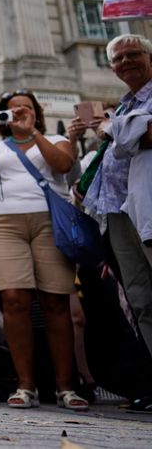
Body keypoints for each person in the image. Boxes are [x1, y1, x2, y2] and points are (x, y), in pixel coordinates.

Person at [0, 89, 88, 411]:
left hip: (49, 221)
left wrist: (33, 133)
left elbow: (63, 164)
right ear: (2, 117)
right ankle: (26, 385)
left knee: (55, 301)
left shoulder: (54, 138)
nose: (20, 114)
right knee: (14, 299)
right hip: (3, 222)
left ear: (36, 112)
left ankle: (66, 387)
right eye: (13, 111)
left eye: (26, 109)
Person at [80, 34, 152, 414]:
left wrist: (116, 127)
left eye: (134, 54)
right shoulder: (126, 104)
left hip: (147, 208)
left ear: (149, 56)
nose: (126, 61)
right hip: (118, 213)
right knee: (141, 302)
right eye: (119, 58)